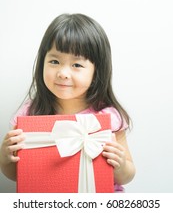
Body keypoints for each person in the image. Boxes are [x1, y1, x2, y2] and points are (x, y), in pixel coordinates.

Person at [0, 13, 135, 192]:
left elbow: (128, 175)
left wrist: (120, 165)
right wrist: (5, 158)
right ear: (42, 63)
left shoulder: (108, 116)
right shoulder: (29, 115)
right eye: (54, 61)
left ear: (97, 71)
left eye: (77, 65)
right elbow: (17, 175)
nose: (63, 73)